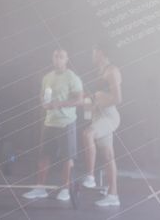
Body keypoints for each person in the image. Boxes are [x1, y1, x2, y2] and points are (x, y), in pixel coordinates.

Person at [23, 49, 84, 202]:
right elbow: (43, 96)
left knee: (67, 158)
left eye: (61, 57)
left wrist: (60, 104)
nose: (58, 60)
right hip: (49, 122)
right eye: (55, 57)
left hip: (66, 123)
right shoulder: (47, 77)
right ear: (52, 58)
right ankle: (40, 188)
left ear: (66, 59)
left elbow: (79, 100)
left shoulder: (72, 77)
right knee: (44, 156)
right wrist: (44, 102)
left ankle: (65, 189)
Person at [81, 41, 122, 207]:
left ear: (102, 52)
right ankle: (113, 196)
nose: (92, 55)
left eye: (94, 51)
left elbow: (118, 99)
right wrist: (89, 104)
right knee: (108, 157)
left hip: (109, 117)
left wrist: (97, 104)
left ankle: (90, 177)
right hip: (98, 117)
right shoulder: (98, 71)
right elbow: (94, 97)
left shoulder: (112, 71)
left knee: (87, 134)